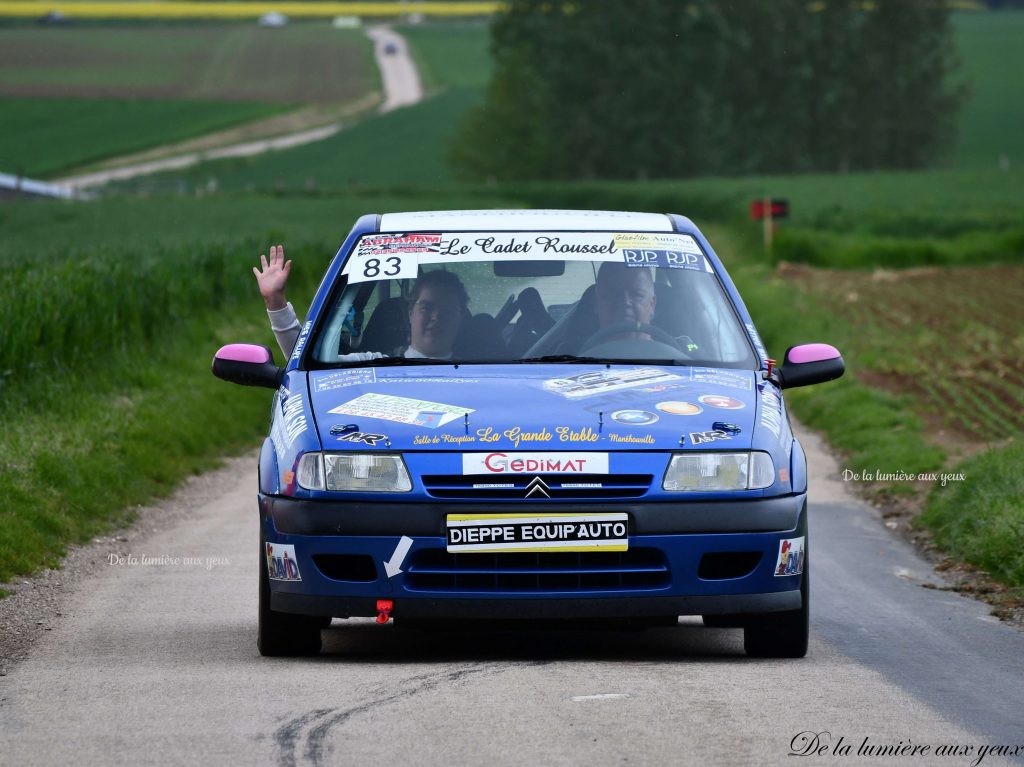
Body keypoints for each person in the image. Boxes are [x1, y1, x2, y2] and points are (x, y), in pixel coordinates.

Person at [254, 244, 467, 361]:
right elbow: (304, 366)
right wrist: (275, 302)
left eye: (447, 310)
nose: (436, 317)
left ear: (461, 317)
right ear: (410, 312)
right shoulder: (372, 364)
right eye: (427, 307)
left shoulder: (488, 372)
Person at [589, 261, 658, 343]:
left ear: (652, 304)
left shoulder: (670, 355)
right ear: (596, 303)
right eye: (613, 295)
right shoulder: (578, 354)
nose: (625, 302)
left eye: (637, 295)